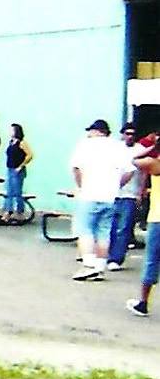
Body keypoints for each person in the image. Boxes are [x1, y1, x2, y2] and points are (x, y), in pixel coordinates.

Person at [69, 119, 135, 282]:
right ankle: (99, 267)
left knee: (85, 231)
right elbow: (130, 171)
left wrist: (82, 186)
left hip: (89, 195)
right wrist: (117, 185)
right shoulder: (118, 146)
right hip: (109, 196)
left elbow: (76, 168)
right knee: (103, 233)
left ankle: (88, 266)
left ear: (96, 131)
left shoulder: (85, 145)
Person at [127, 138, 160, 316]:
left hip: (158, 219)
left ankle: (143, 303)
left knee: (152, 260)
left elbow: (134, 160)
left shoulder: (155, 164)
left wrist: (153, 148)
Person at [106, 124, 146, 271]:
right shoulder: (115, 149)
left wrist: (140, 192)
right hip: (113, 193)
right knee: (110, 226)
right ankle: (108, 254)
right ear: (122, 134)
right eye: (127, 133)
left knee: (124, 228)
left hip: (130, 194)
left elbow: (144, 172)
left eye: (132, 134)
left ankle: (116, 258)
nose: (130, 136)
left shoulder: (140, 150)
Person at [0, 123, 34, 223]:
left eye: (12, 130)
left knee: (17, 192)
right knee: (9, 191)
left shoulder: (22, 143)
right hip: (10, 169)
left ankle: (20, 212)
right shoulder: (11, 142)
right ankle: (8, 211)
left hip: (17, 170)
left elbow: (30, 155)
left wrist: (21, 166)